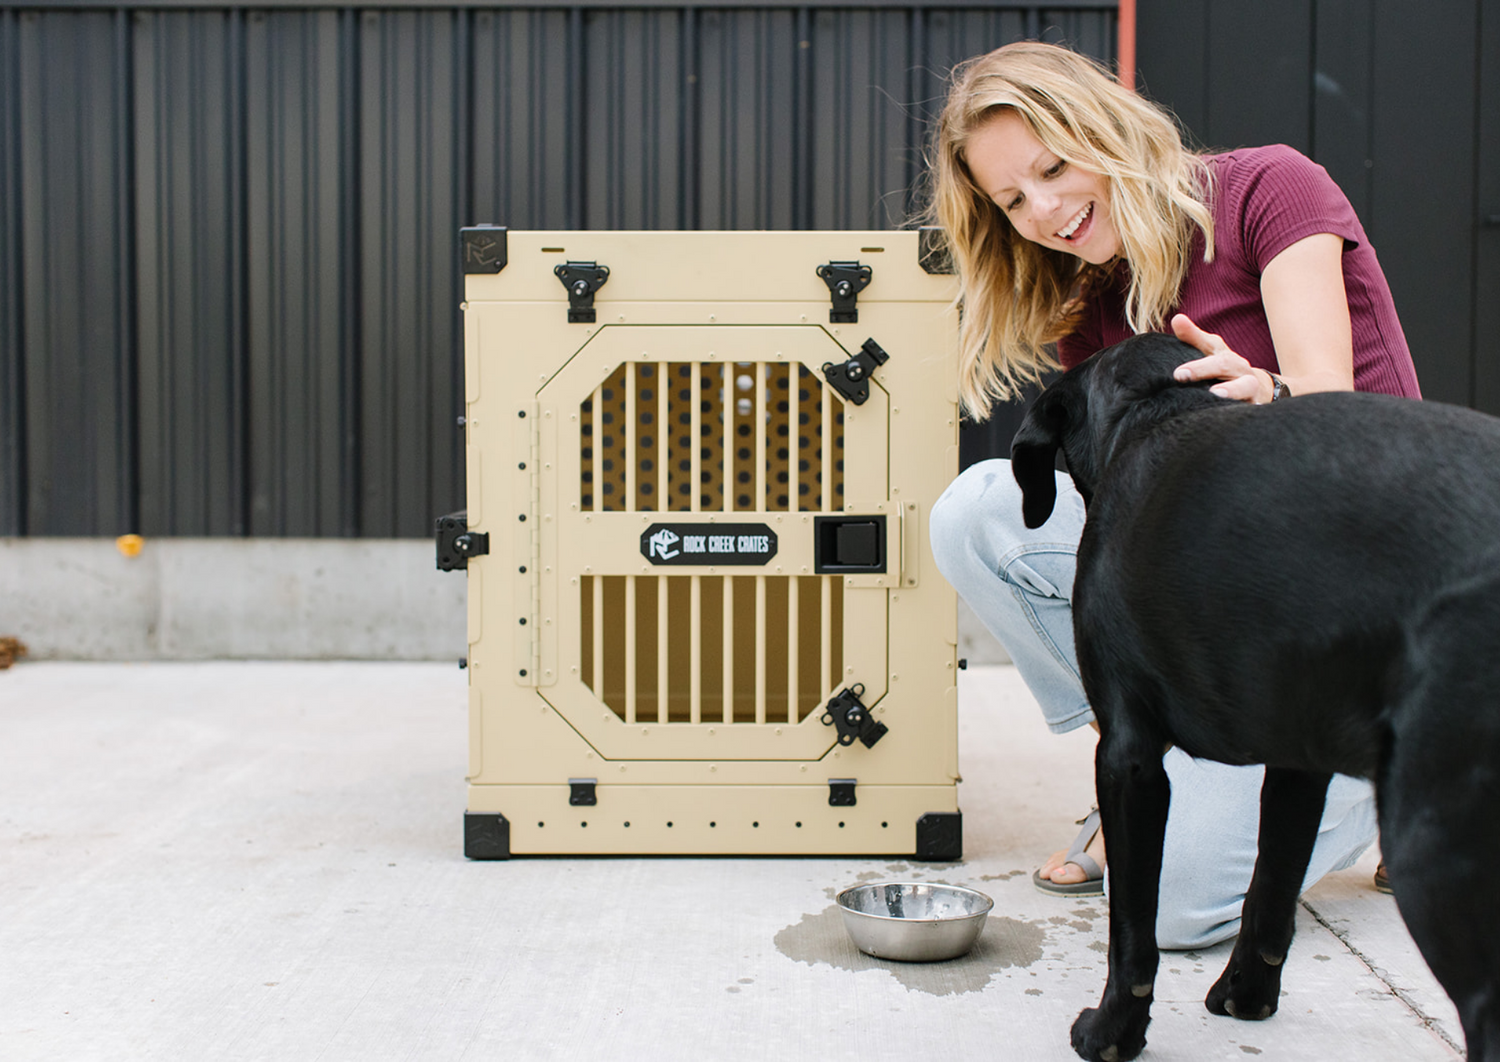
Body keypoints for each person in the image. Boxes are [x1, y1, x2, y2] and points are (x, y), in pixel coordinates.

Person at [924, 40, 1420, 947]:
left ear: (1104, 130)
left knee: (1180, 913)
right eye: (1012, 200)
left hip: (1345, 596)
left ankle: (1376, 779)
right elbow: (1123, 535)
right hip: (1227, 599)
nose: (1044, 210)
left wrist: (1263, 391)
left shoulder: (1270, 187)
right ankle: (1136, 756)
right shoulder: (1092, 302)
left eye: (1053, 167)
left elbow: (1337, 407)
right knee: (981, 512)